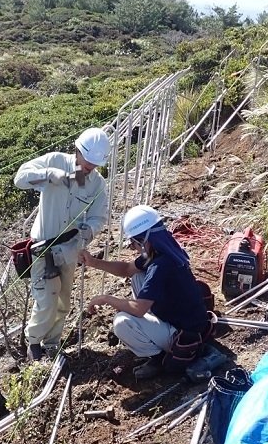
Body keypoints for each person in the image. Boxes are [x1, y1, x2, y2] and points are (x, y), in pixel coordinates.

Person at [79, 204, 212, 379]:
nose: (133, 247)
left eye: (133, 242)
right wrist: (94, 263)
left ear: (143, 239)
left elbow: (138, 308)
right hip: (190, 322)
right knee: (137, 276)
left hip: (184, 336)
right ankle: (155, 332)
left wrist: (106, 299)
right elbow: (127, 269)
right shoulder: (165, 251)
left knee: (121, 322)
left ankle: (160, 357)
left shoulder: (160, 266)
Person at [14, 127, 111, 361]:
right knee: (46, 298)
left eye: (95, 165)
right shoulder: (56, 160)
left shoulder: (97, 184)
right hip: (42, 246)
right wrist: (48, 174)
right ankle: (34, 343)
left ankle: (52, 343)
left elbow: (99, 216)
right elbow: (20, 179)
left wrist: (89, 231)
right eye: (87, 162)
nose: (90, 168)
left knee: (63, 301)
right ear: (77, 151)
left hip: (69, 248)